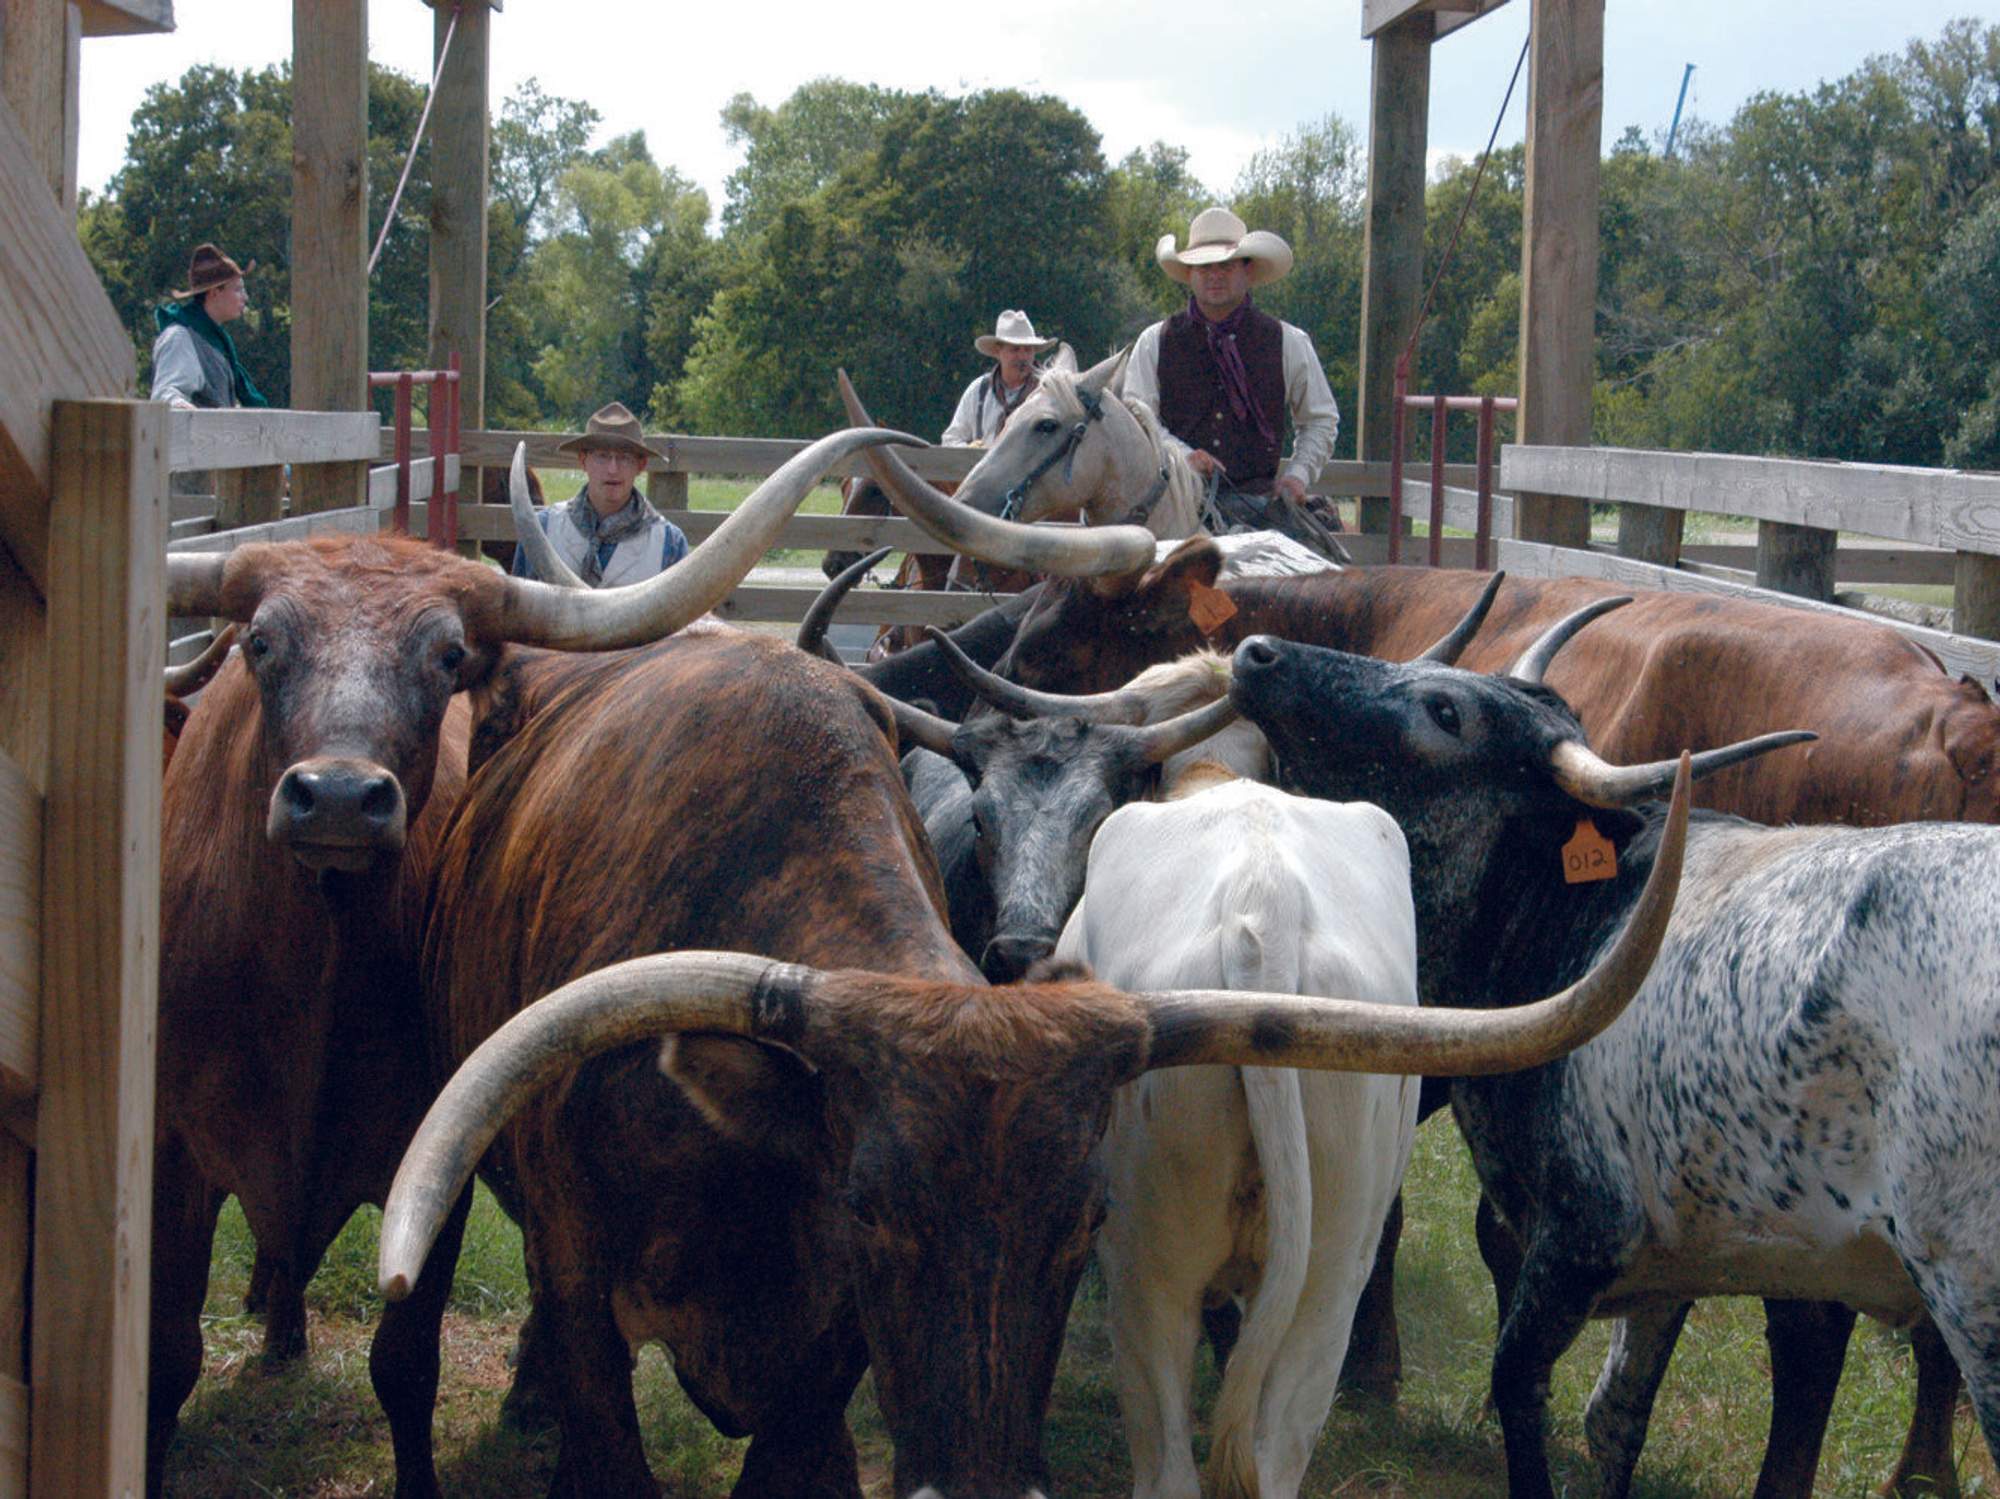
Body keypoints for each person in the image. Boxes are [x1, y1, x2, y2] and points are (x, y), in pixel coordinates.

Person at [1122, 206, 1347, 551]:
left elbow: (1319, 419)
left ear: (1247, 270)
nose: (1214, 276)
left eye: (1225, 265)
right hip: (1174, 509)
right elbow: (1139, 419)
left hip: (1260, 509)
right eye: (1204, 267)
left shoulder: (1288, 341)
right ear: (1190, 274)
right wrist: (1183, 456)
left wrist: (1298, 476)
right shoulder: (1155, 341)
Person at [512, 402, 689, 586]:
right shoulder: (542, 529)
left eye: (624, 457)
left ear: (641, 466)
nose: (612, 469)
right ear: (583, 461)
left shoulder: (669, 544)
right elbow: (518, 611)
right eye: (602, 456)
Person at [150, 243, 269, 411]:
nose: (245, 297)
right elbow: (166, 396)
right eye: (238, 290)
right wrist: (178, 404)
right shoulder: (180, 337)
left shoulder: (216, 343)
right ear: (214, 293)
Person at [941, 310, 1059, 445]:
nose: (1022, 357)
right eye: (1015, 349)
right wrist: (969, 451)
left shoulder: (1048, 393)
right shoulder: (980, 391)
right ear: (998, 352)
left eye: (1028, 350)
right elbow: (950, 439)